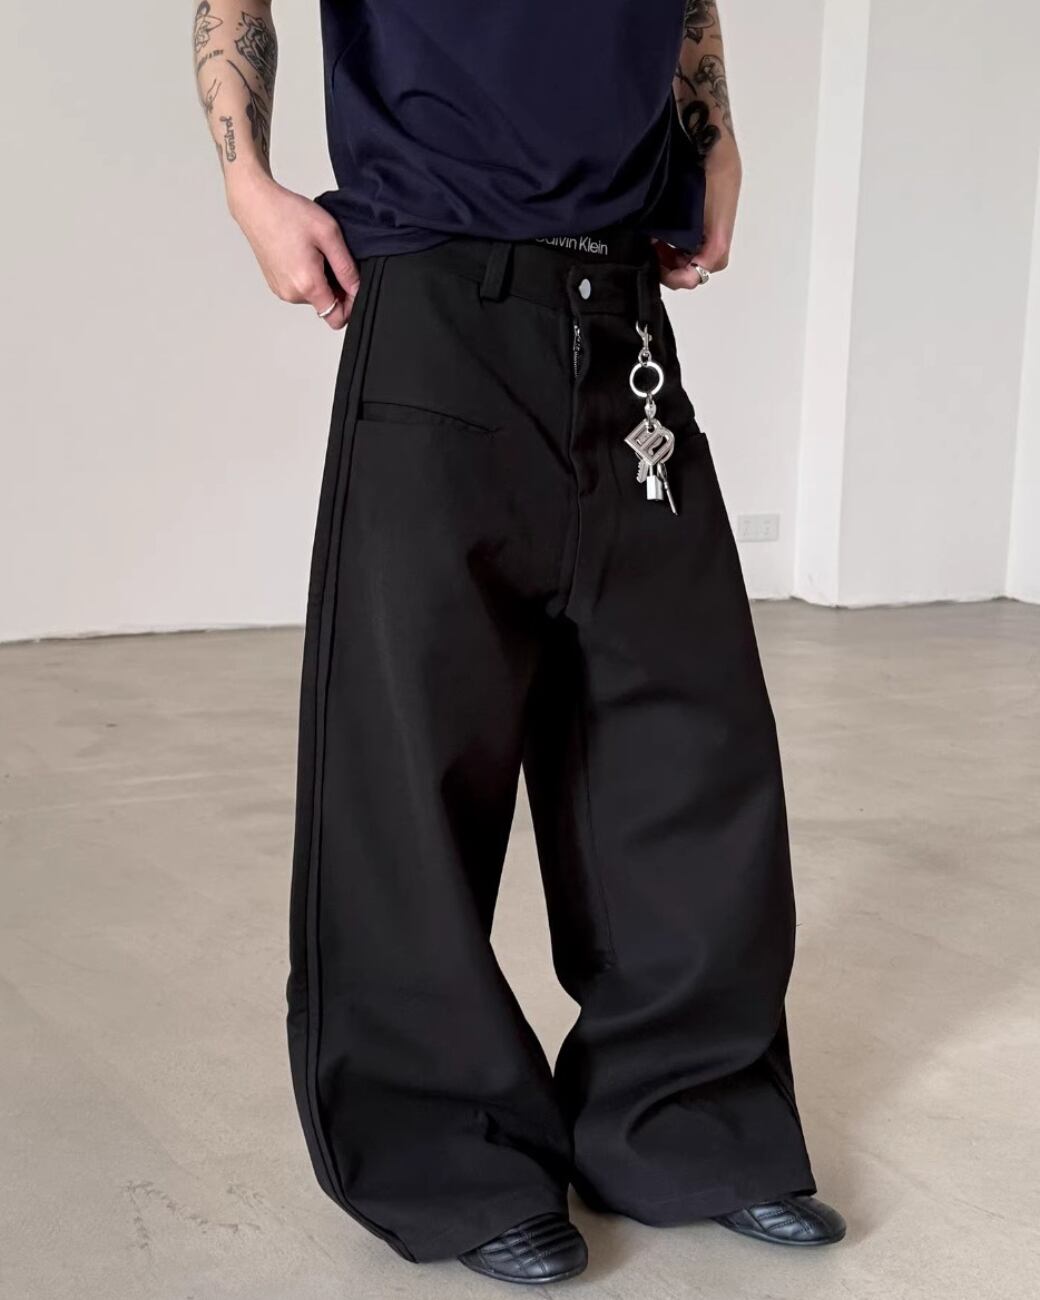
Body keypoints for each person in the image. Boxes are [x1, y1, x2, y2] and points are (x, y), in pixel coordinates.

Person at [195, 0, 846, 1285]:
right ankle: (448, 1151)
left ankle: (684, 1121)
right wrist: (245, 183)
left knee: (684, 741)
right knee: (415, 758)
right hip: (438, 296)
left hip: (620, 305)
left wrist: (711, 136)